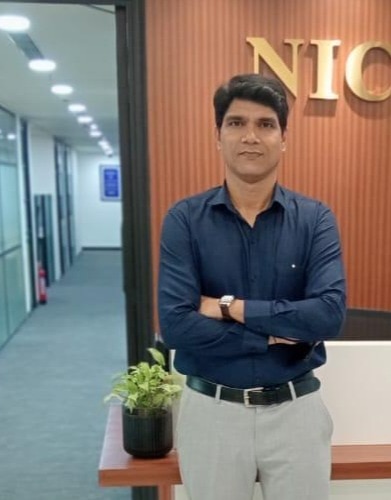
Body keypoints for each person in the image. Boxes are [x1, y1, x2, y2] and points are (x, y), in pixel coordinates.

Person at [157, 73, 347, 500]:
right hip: (212, 414)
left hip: (296, 411)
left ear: (283, 138)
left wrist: (228, 307)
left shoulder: (315, 219)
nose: (250, 136)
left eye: (265, 124)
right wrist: (274, 335)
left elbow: (328, 316)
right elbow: (177, 326)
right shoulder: (184, 220)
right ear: (218, 136)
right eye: (236, 123)